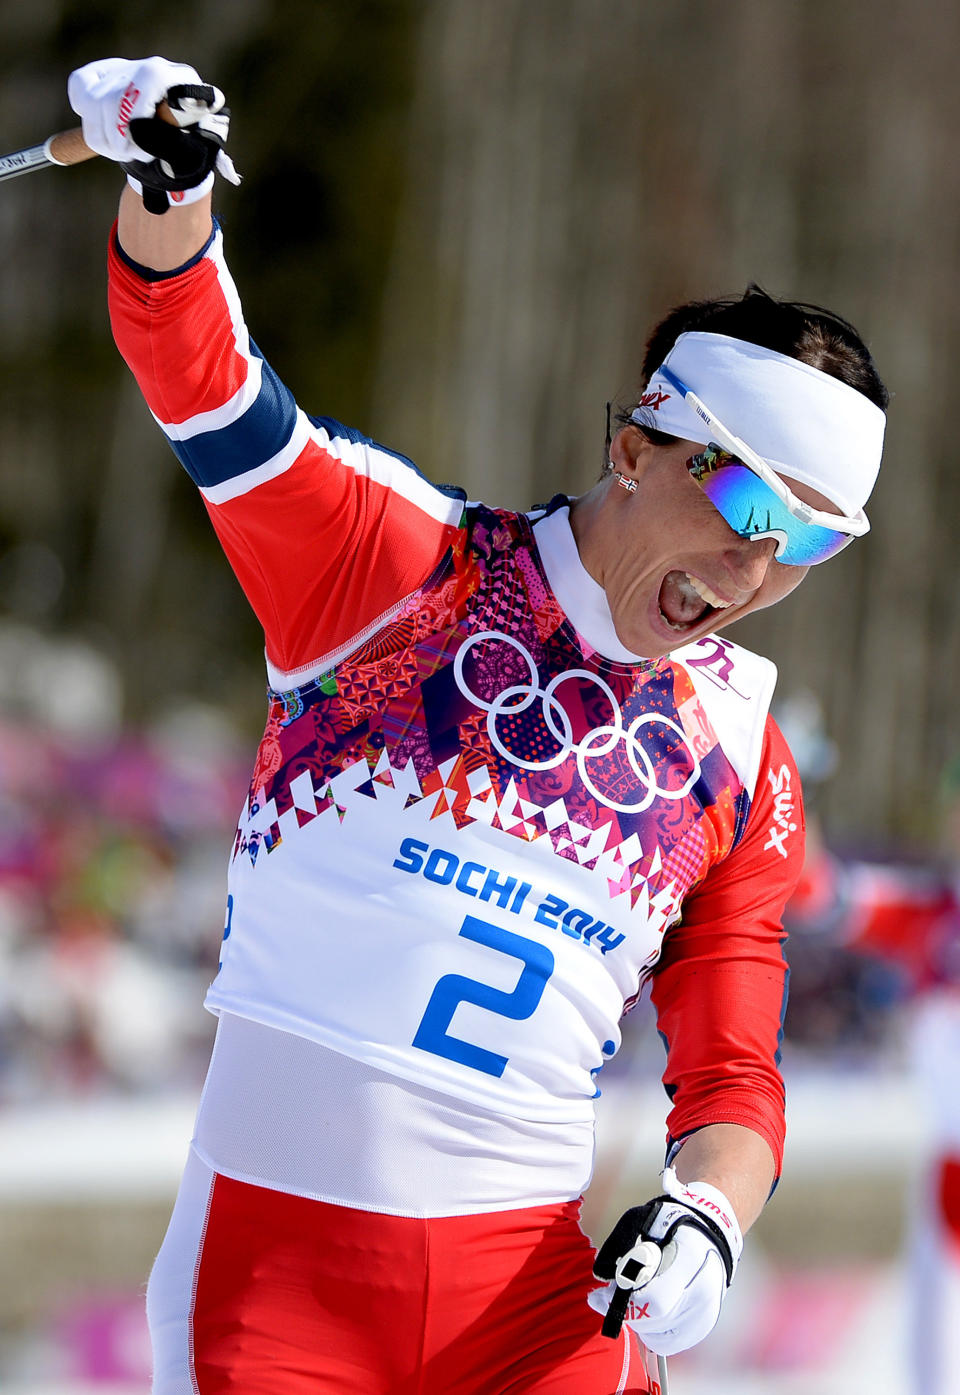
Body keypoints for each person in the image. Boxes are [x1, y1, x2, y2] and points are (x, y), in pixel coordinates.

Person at [67, 55, 889, 1395]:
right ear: (640, 447)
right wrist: (167, 187)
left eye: (812, 542)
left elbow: (735, 1075)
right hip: (280, 1299)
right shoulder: (396, 570)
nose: (757, 570)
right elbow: (201, 372)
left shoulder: (739, 753)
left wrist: (710, 1218)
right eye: (747, 503)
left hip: (531, 1317)